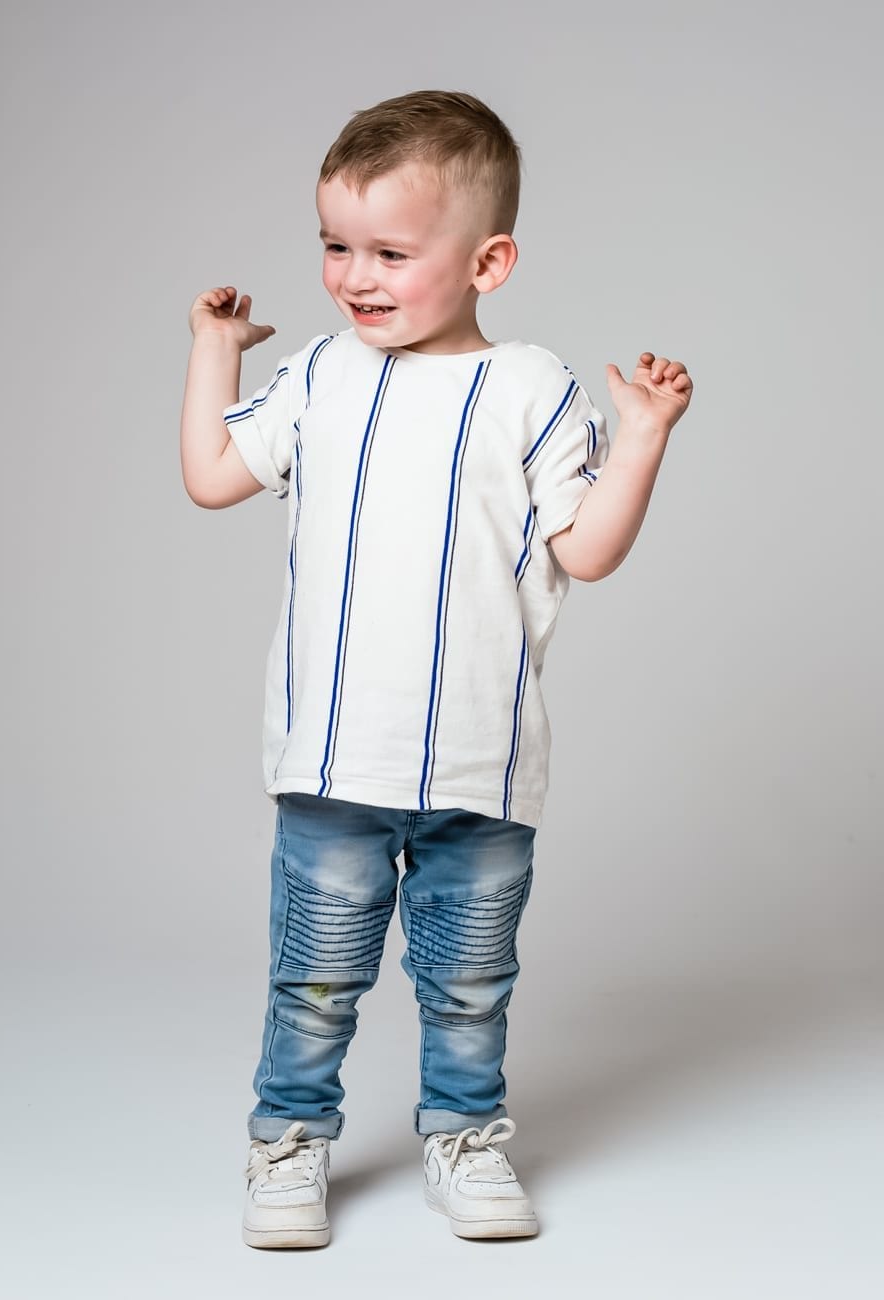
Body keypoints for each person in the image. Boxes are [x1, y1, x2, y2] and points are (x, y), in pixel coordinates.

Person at [179, 89, 693, 1248]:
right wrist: (214, 351)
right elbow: (211, 475)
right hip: (332, 759)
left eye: (389, 252)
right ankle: (288, 1142)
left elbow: (585, 551)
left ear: (486, 262)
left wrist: (642, 440)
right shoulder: (319, 373)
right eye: (335, 246)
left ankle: (464, 1135)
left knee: (469, 983)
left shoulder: (530, 387)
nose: (354, 276)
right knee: (315, 979)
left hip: (478, 759)